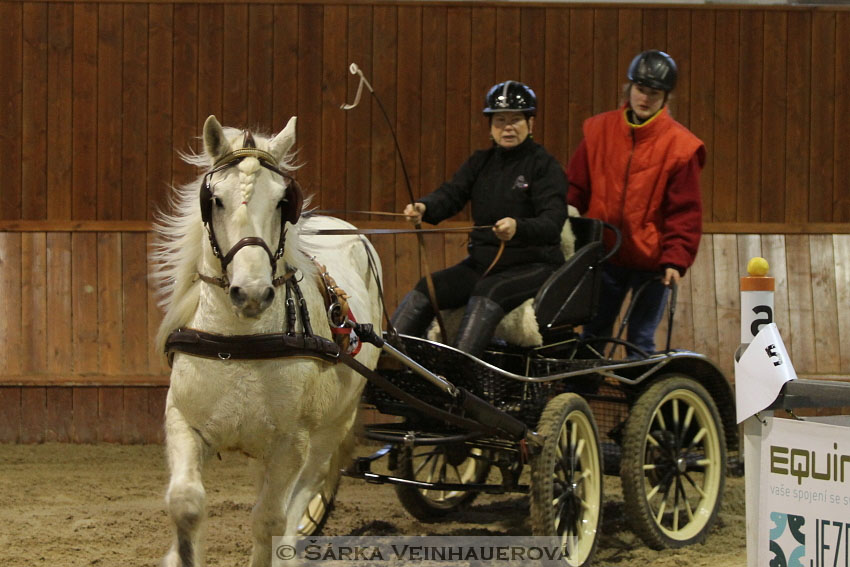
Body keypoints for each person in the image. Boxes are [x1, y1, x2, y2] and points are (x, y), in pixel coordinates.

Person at [391, 81, 568, 358]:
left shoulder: (544, 165)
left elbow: (553, 221)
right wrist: (425, 207)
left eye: (515, 119)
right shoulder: (480, 162)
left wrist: (518, 227)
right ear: (491, 126)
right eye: (500, 120)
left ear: (530, 124)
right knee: (430, 287)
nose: (507, 127)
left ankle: (458, 379)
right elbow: (452, 193)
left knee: (489, 291)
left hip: (535, 265)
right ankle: (392, 363)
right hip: (482, 262)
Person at [566, 50, 705, 357]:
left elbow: (685, 211)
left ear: (665, 97)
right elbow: (575, 189)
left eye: (653, 94)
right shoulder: (598, 130)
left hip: (652, 263)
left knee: (639, 339)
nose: (644, 99)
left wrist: (675, 259)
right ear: (628, 88)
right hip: (605, 254)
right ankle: (579, 397)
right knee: (592, 333)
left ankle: (640, 403)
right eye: (640, 90)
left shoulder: (681, 147)